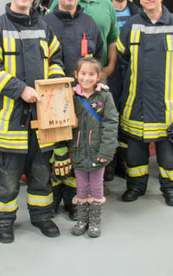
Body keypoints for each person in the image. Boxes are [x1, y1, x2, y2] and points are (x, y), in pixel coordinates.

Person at [0, 0, 66, 243]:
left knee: (41, 172)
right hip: (9, 118)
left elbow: (57, 58)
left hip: (42, 117)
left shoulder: (44, 26)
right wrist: (20, 90)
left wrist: (52, 82)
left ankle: (41, 216)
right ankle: (3, 221)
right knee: (8, 175)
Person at [117, 0, 173, 206]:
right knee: (136, 150)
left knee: (167, 150)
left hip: (165, 101)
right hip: (136, 100)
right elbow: (123, 56)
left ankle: (171, 188)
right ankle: (136, 186)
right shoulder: (131, 25)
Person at [43, 0, 103, 220]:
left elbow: (96, 58)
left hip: (83, 98)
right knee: (53, 151)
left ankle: (72, 201)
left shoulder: (89, 23)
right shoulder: (43, 22)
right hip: (53, 99)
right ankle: (51, 199)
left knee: (76, 151)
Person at [68, 57, 117, 238]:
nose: (86, 78)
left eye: (91, 74)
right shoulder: (71, 96)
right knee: (80, 186)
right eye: (83, 73)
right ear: (76, 75)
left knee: (96, 187)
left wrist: (106, 151)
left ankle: (95, 222)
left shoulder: (105, 96)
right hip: (78, 151)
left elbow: (111, 124)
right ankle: (82, 220)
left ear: (98, 77)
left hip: (98, 152)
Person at [50, 0, 119, 80]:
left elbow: (112, 39)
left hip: (95, 76)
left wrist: (109, 68)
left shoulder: (108, 5)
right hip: (61, 77)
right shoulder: (60, 1)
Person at [105, 0, 141, 180]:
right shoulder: (104, 11)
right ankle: (109, 163)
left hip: (132, 72)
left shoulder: (138, 13)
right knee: (110, 116)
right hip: (110, 70)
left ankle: (124, 161)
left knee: (127, 118)